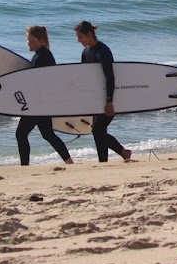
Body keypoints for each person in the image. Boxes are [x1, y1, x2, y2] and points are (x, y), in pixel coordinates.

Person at [15, 26, 75, 166]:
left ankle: (25, 166)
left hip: (38, 104)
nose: (28, 43)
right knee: (48, 134)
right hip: (43, 103)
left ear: (42, 40)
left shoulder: (42, 57)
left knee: (21, 134)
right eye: (27, 41)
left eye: (31, 41)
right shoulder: (42, 54)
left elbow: (40, 82)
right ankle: (69, 162)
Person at [75, 20, 132, 163]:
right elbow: (87, 79)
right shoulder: (85, 52)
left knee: (98, 130)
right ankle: (121, 153)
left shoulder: (103, 51)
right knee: (98, 131)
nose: (78, 40)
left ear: (89, 34)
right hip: (95, 99)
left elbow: (110, 77)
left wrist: (109, 101)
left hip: (110, 98)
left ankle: (107, 160)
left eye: (80, 37)